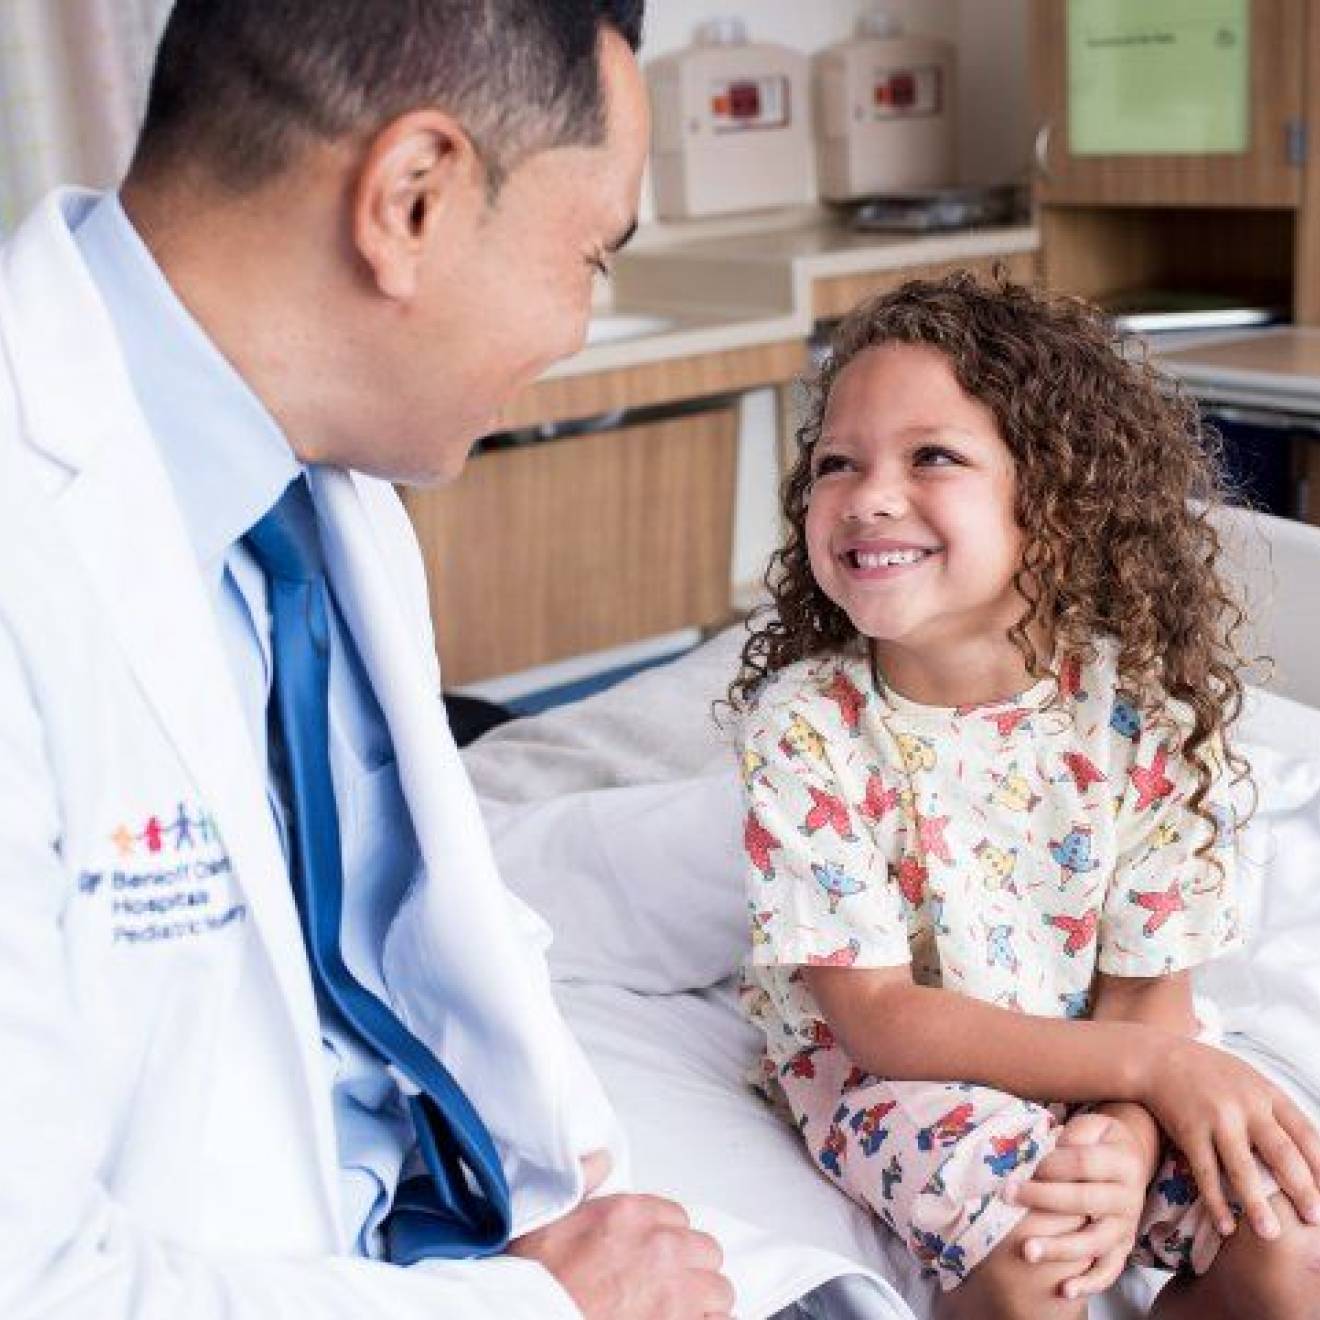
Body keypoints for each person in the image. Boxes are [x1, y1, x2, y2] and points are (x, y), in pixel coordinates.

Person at [0, 2, 735, 1317]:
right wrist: (547, 1311)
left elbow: (431, 928)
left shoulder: (324, 484)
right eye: (590, 257)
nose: (578, 326)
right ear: (411, 200)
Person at [729, 273, 1320, 1319]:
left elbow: (1149, 991)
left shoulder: (1146, 717)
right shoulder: (807, 725)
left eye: (932, 456)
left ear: (1058, 501)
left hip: (1115, 1055)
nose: (867, 494)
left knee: (1286, 1241)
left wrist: (1125, 1134)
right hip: (903, 1073)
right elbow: (878, 1021)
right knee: (1044, 1249)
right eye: (836, 463)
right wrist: (1149, 1075)